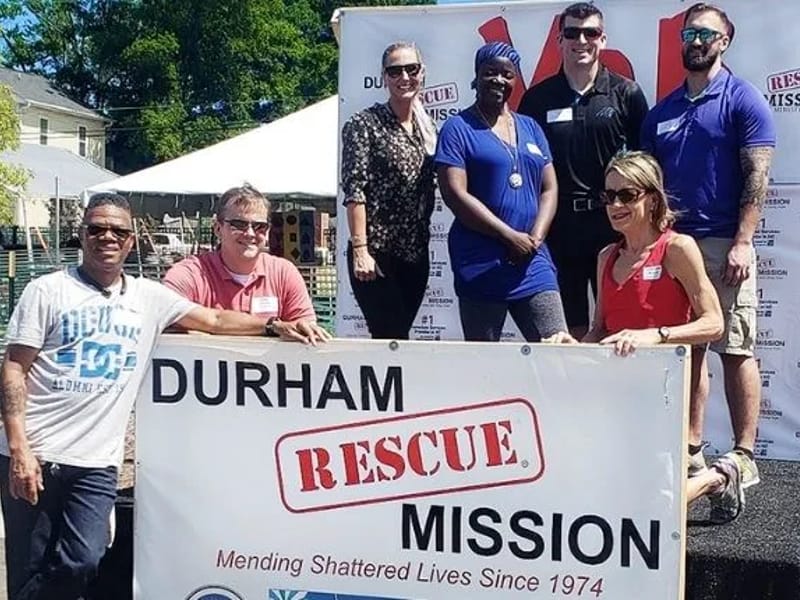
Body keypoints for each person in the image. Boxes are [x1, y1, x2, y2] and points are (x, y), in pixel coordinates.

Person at [0, 193, 305, 600]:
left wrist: (273, 327)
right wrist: (19, 449)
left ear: (131, 241)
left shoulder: (149, 298)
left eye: (118, 231)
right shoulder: (46, 291)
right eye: (97, 229)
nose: (107, 237)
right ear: (82, 235)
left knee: (83, 560)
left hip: (96, 464)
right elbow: (14, 367)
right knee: (28, 565)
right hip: (36, 453)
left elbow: (213, 319)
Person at [546, 151, 747, 522]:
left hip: (668, 391)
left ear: (652, 198)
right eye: (609, 196)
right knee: (609, 497)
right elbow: (599, 330)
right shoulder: (607, 255)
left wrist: (655, 336)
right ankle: (708, 478)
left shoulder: (677, 249)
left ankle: (718, 476)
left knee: (654, 509)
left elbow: (714, 323)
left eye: (627, 195)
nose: (615, 205)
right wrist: (572, 346)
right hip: (619, 393)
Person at [641, 2, 775, 492]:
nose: (695, 41)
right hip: (675, 246)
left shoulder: (743, 100)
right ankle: (692, 447)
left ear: (724, 42)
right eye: (689, 33)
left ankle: (744, 453)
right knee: (689, 349)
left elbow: (758, 176)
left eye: (706, 34)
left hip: (724, 243)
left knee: (735, 347)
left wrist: (743, 241)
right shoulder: (663, 110)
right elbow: (648, 183)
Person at [518, 2, 649, 339]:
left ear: (602, 39)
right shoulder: (537, 100)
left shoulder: (627, 93)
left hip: (615, 228)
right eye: (572, 33)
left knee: (619, 325)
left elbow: (646, 167)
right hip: (560, 231)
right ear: (559, 40)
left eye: (590, 32)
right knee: (567, 331)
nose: (581, 40)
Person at [436, 42, 567, 342]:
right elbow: (455, 193)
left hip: (532, 261)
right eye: (490, 72)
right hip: (480, 262)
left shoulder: (531, 127)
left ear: (516, 80)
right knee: (486, 366)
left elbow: (549, 187)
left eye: (507, 74)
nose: (498, 80)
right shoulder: (457, 128)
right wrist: (508, 236)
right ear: (476, 76)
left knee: (557, 351)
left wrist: (535, 237)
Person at [340, 41, 437, 339]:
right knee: (389, 337)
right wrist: (360, 250)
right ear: (383, 77)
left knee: (401, 341)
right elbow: (355, 190)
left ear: (423, 73)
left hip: (415, 255)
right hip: (376, 255)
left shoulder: (428, 128)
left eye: (412, 69)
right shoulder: (363, 124)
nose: (404, 77)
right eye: (395, 71)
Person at [164, 184, 329, 344]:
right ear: (218, 228)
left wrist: (206, 332)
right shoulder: (189, 274)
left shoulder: (284, 272)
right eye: (239, 224)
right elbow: (164, 326)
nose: (250, 233)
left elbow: (306, 334)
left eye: (260, 226)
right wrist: (273, 328)